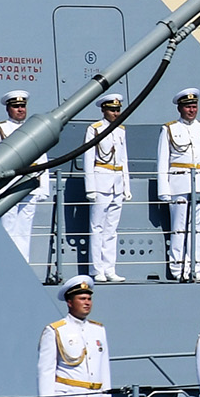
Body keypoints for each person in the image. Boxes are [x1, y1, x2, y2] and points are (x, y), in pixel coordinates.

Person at [157, 88, 200, 280]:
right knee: (179, 228)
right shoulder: (169, 129)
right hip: (179, 182)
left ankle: (197, 268)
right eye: (188, 107)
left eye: (194, 106)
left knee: (198, 229)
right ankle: (178, 269)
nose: (192, 110)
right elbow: (162, 160)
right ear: (180, 108)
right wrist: (164, 189)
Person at [0, 90, 52, 264]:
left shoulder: (34, 128)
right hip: (7, 187)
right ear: (8, 109)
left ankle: (23, 265)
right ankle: (6, 264)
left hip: (29, 185)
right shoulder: (0, 129)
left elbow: (43, 160)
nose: (20, 110)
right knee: (7, 228)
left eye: (22, 106)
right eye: (16, 106)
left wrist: (43, 188)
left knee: (25, 230)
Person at [83, 94, 130, 283]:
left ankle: (110, 268)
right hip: (100, 181)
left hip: (117, 184)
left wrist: (127, 185)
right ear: (103, 110)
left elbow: (124, 159)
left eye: (118, 110)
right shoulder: (94, 130)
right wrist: (90, 187)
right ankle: (97, 269)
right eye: (112, 110)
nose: (116, 113)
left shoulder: (121, 131)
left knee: (112, 229)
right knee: (97, 228)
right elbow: (88, 158)